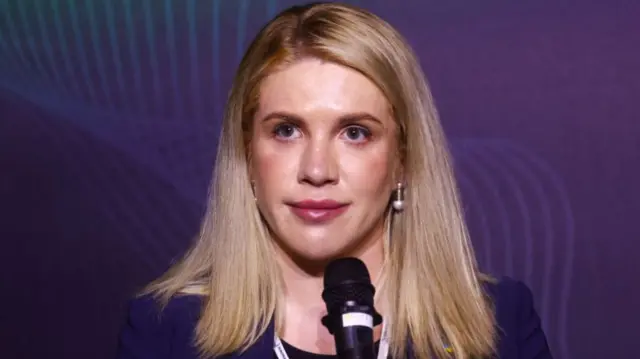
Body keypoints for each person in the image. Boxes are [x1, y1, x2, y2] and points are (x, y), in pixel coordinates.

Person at [116, 2, 552, 359]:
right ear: (247, 154)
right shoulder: (166, 329)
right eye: (286, 130)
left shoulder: (498, 322)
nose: (318, 170)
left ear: (402, 158)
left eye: (355, 133)